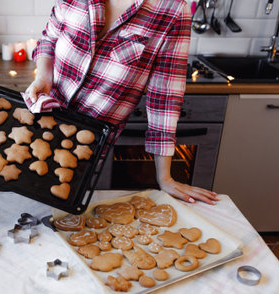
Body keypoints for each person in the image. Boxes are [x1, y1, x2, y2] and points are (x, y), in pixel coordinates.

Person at [24, 0, 219, 205]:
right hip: (40, 121)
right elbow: (49, 38)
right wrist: (43, 78)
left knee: (63, 211)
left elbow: (165, 97)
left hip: (88, 147)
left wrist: (165, 178)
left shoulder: (172, 10)